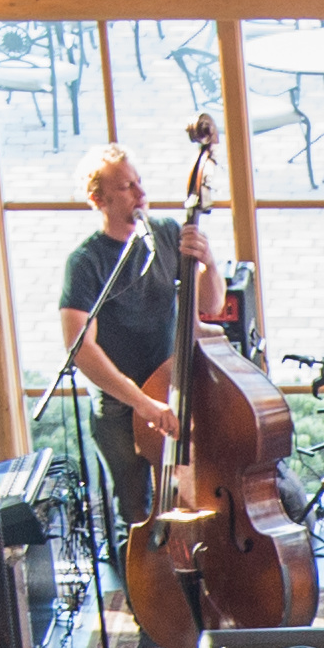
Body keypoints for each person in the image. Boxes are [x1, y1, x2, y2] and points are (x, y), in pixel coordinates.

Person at [56, 145, 200, 532]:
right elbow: (80, 349)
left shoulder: (167, 234)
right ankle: (145, 590)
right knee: (136, 512)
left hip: (172, 388)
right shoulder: (86, 262)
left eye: (139, 182)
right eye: (125, 187)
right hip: (120, 405)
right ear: (97, 199)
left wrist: (210, 264)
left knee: (192, 495)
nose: (140, 193)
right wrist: (142, 403)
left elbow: (213, 304)